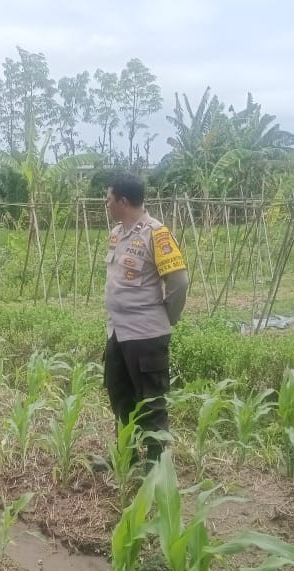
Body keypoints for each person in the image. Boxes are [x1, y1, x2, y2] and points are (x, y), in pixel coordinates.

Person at [102, 172, 188, 466]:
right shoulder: (116, 233)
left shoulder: (157, 234)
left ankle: (156, 468)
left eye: (109, 198)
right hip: (118, 333)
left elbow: (179, 282)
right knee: (120, 398)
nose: (107, 202)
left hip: (146, 336)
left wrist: (166, 317)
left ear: (123, 201)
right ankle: (126, 459)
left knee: (151, 405)